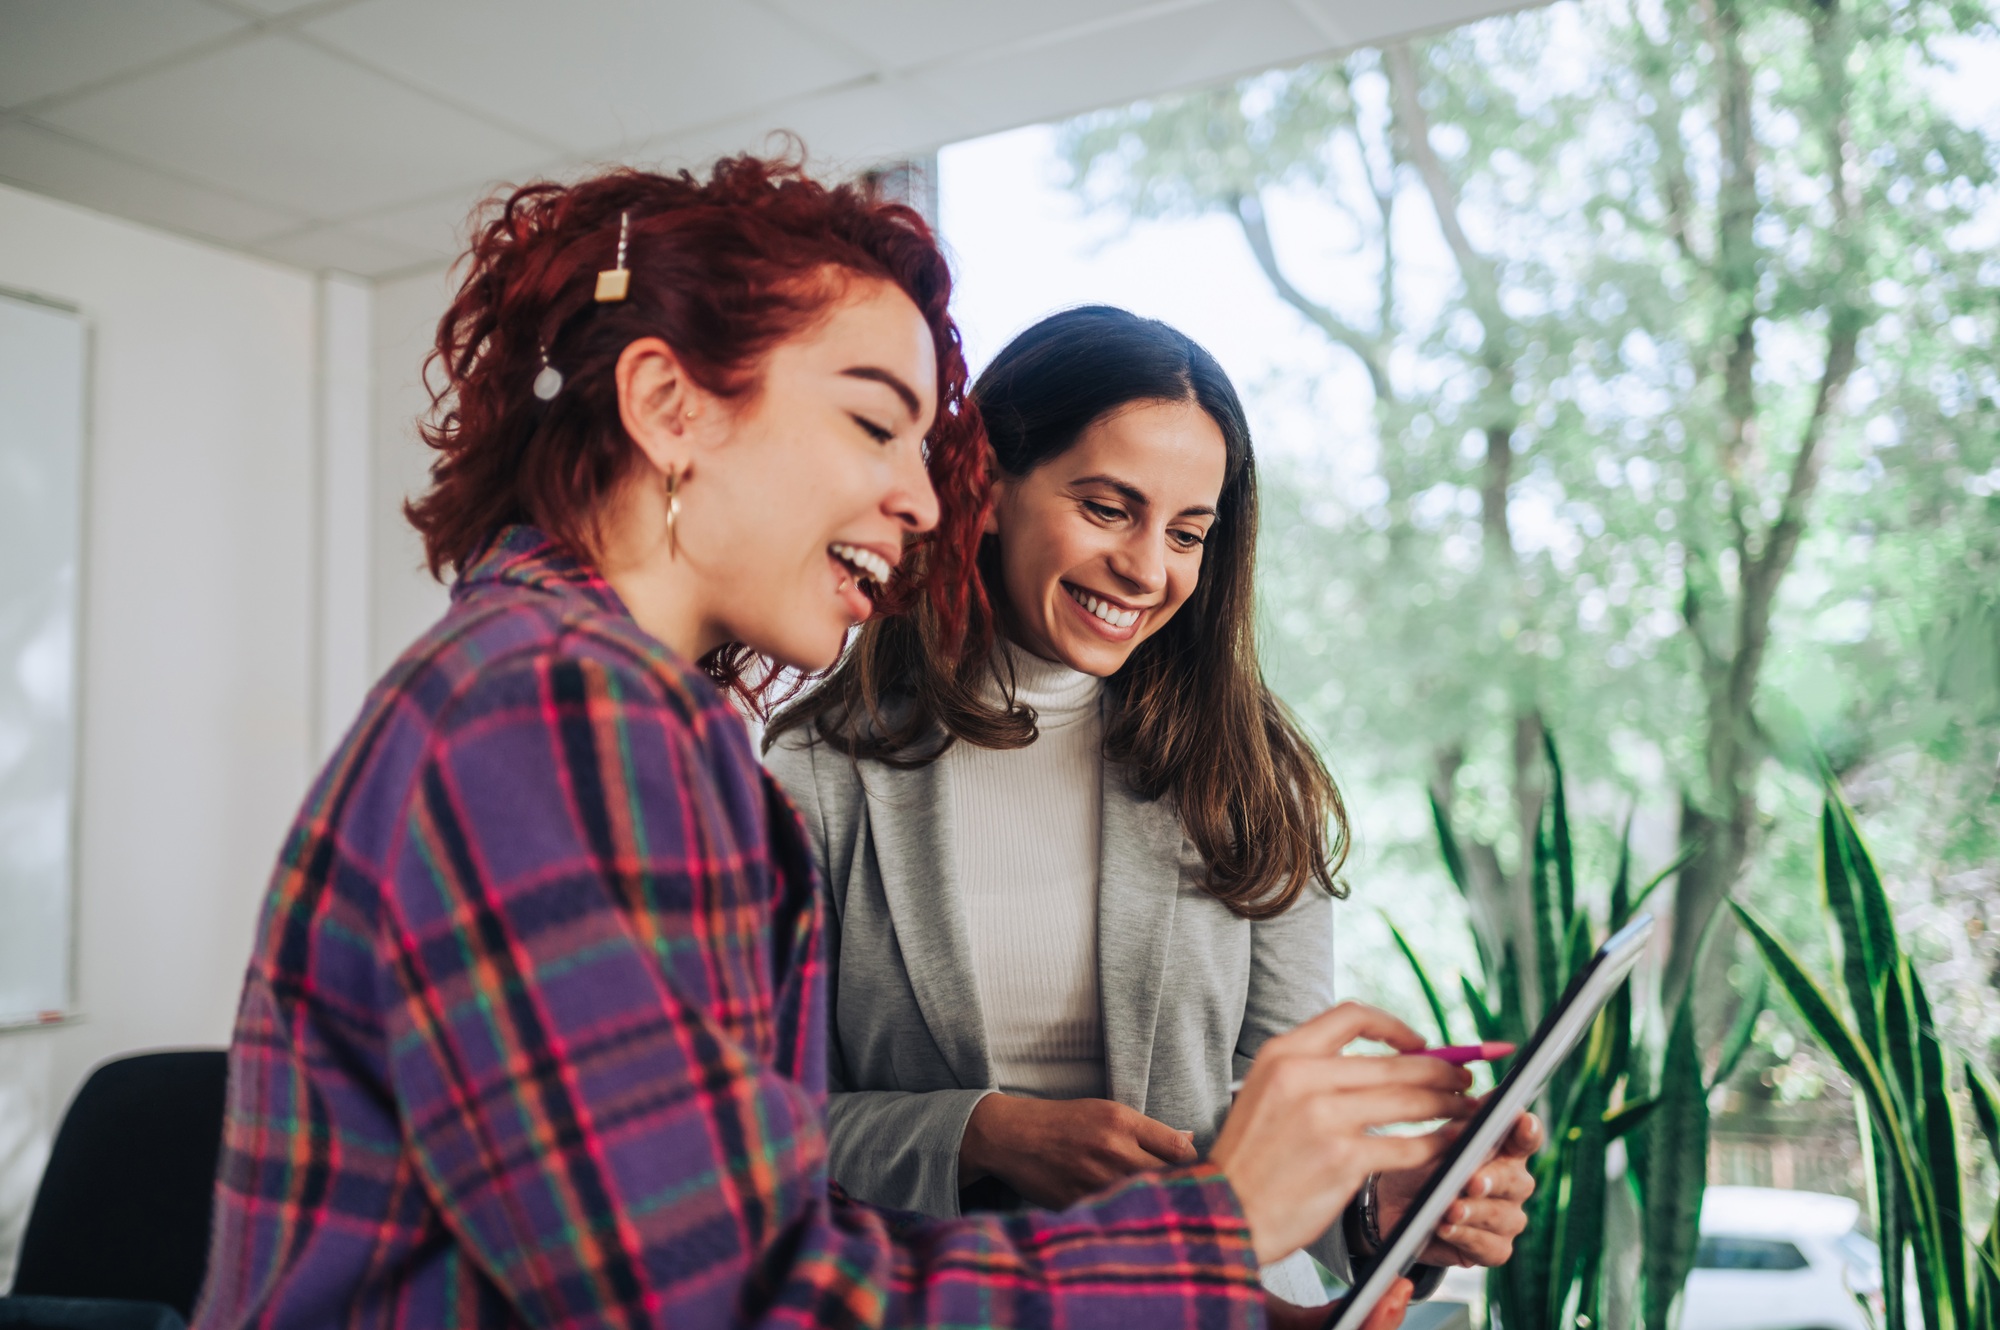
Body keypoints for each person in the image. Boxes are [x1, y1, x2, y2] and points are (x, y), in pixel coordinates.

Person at [192, 158, 1468, 1330]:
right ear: (665, 406)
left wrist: (1323, 1228)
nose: (922, 499)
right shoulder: (559, 711)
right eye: (873, 425)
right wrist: (1212, 1228)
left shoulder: (572, 694)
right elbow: (741, 1298)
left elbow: (734, 1226)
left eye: (923, 446)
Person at [765, 307, 1540, 1303]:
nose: (1146, 568)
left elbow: (1259, 1129)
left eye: (1186, 533)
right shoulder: (817, 774)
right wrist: (981, 1133)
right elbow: (760, 1140)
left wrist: (1381, 1206)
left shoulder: (1248, 769)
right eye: (1105, 508)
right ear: (987, 489)